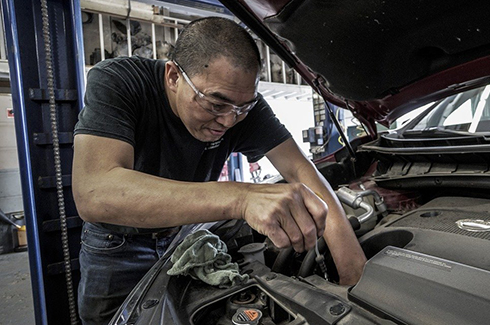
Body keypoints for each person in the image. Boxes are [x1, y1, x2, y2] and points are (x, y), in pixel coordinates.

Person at [72, 17, 366, 325]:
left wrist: (352, 272)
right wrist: (242, 199)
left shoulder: (241, 107)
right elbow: (94, 191)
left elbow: (299, 170)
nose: (228, 121)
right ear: (173, 76)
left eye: (243, 108)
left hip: (186, 237)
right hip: (117, 247)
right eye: (215, 105)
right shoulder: (121, 82)